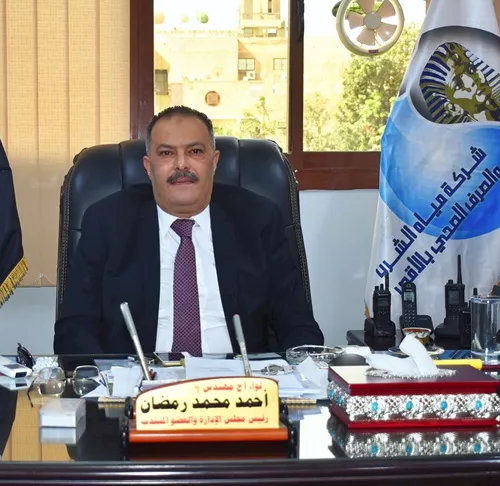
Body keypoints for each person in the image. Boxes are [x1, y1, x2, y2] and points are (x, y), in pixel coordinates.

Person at [53, 105, 324, 355]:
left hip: (239, 379)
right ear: (148, 167)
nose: (182, 165)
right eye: (166, 153)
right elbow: (74, 329)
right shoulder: (108, 221)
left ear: (214, 162)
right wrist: (103, 383)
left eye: (195, 151)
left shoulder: (258, 219)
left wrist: (294, 379)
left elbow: (298, 325)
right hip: (141, 379)